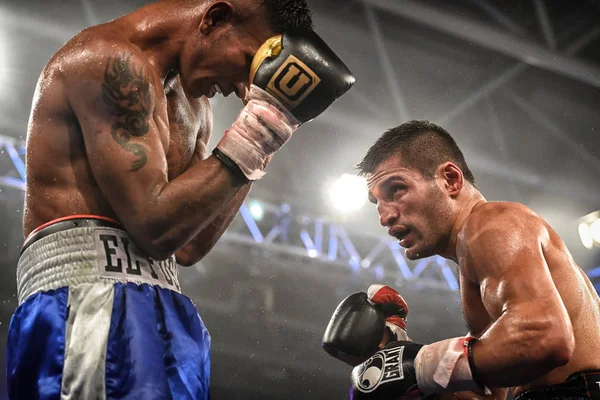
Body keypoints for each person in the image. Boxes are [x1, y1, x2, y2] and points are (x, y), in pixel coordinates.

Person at [8, 0, 354, 398]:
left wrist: (271, 130)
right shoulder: (106, 61)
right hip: (86, 302)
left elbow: (188, 244)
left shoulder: (196, 108)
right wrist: (261, 126)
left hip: (167, 308)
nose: (243, 88)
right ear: (215, 19)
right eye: (246, 61)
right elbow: (155, 227)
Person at [322, 120, 600, 399]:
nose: (385, 216)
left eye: (396, 190)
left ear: (450, 180)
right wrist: (392, 366)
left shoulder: (492, 225)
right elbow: (489, 394)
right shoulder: (474, 260)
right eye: (377, 204)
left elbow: (546, 337)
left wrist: (421, 365)